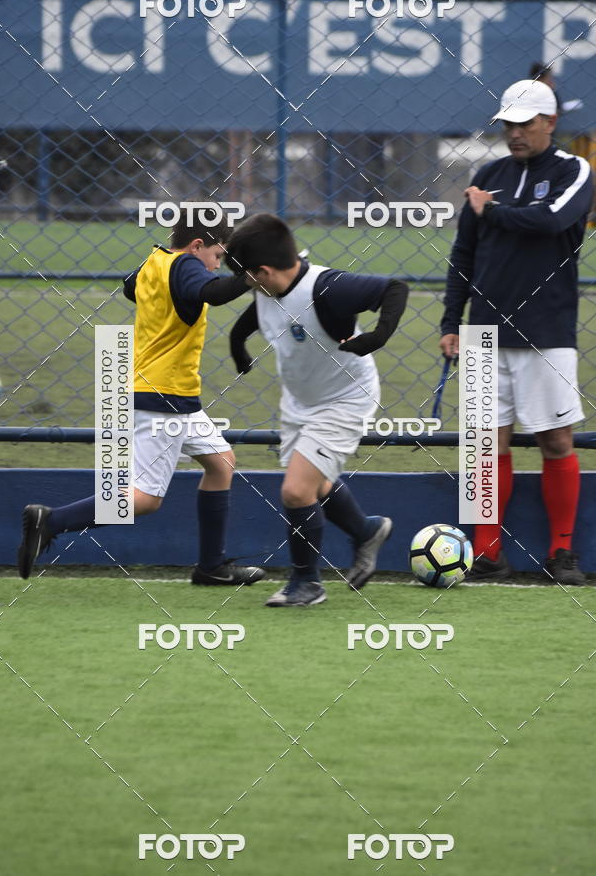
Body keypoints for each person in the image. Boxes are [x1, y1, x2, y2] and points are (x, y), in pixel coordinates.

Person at [18, 208, 265, 586]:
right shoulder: (185, 267)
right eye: (217, 256)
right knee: (145, 499)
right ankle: (50, 521)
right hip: (163, 395)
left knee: (221, 462)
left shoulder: (156, 260)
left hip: (164, 389)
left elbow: (130, 286)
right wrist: (250, 277)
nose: (216, 266)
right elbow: (212, 294)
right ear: (197, 246)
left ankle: (211, 568)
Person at [440, 79, 593, 585]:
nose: (516, 132)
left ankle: (562, 553)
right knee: (486, 445)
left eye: (526, 123)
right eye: (509, 123)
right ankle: (488, 553)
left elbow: (552, 221)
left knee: (555, 441)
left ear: (550, 123)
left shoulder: (575, 170)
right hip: (484, 330)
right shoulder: (489, 174)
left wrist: (493, 210)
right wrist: (450, 322)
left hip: (547, 333)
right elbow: (463, 255)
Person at [226, 214, 409, 606]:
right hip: (299, 401)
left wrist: (378, 336)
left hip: (346, 398)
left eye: (246, 277)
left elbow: (395, 288)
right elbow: (258, 315)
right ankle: (366, 530)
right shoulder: (268, 289)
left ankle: (307, 583)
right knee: (315, 485)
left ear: (264, 271)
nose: (245, 287)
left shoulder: (328, 289)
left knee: (296, 490)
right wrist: (237, 343)